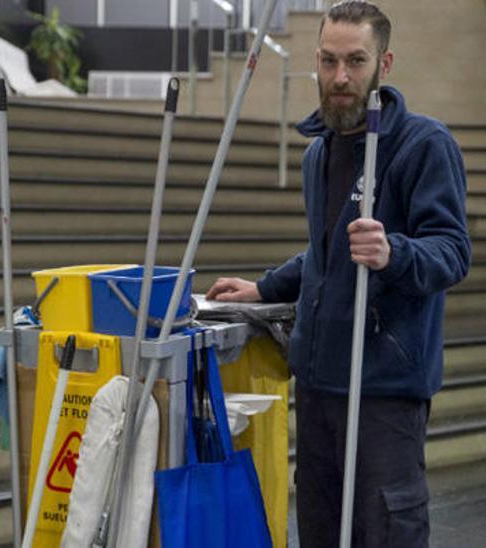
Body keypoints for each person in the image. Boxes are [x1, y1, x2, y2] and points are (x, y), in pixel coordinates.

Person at [206, 2, 470, 547]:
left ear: (384, 63)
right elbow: (325, 255)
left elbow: (451, 251)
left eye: (355, 60)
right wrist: (266, 288)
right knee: (323, 532)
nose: (341, 77)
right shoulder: (319, 154)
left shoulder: (423, 146)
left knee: (386, 531)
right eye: (329, 61)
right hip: (321, 383)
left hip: (383, 388)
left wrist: (393, 252)